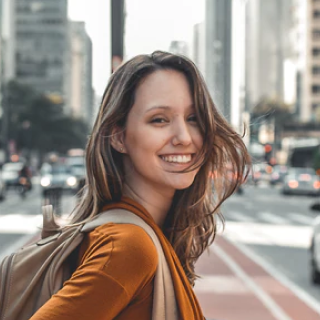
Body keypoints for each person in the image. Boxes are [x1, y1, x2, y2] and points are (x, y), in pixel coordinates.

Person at [30, 51, 251, 320]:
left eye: (193, 118)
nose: (184, 137)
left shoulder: (145, 234)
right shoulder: (128, 247)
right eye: (159, 119)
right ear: (119, 137)